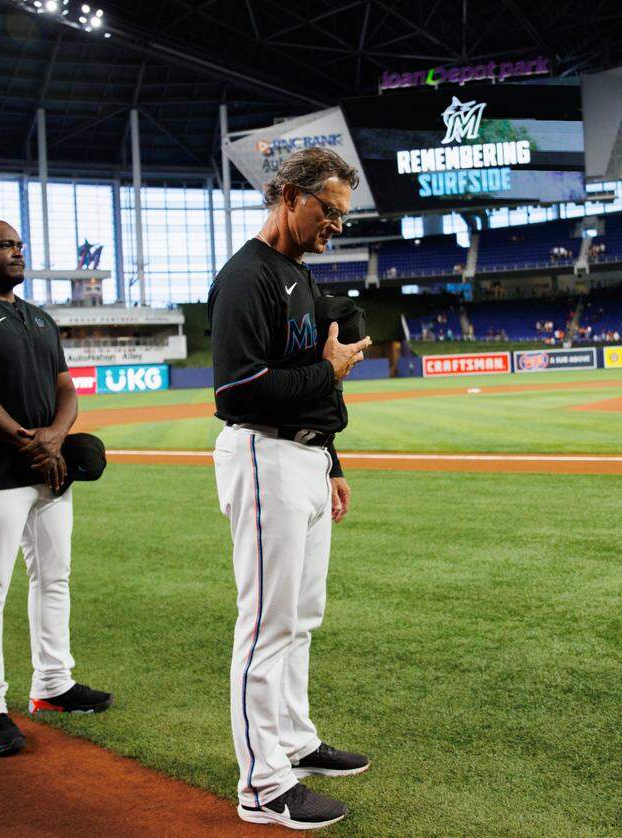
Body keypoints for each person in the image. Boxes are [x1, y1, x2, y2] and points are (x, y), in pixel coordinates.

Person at [208, 148, 372, 831]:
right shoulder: (246, 276)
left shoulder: (297, 273)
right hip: (261, 453)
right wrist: (330, 372)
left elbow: (303, 369)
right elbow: (237, 387)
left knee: (302, 618)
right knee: (267, 625)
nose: (335, 224)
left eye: (342, 214)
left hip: (302, 458)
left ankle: (295, 742)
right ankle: (262, 785)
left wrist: (329, 458)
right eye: (327, 210)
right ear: (285, 195)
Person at [0, 220, 112, 757]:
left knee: (53, 577)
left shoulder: (38, 317)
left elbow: (65, 387)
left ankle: (52, 685)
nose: (16, 251)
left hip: (46, 469)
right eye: (3, 245)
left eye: (19, 244)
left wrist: (54, 439)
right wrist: (31, 443)